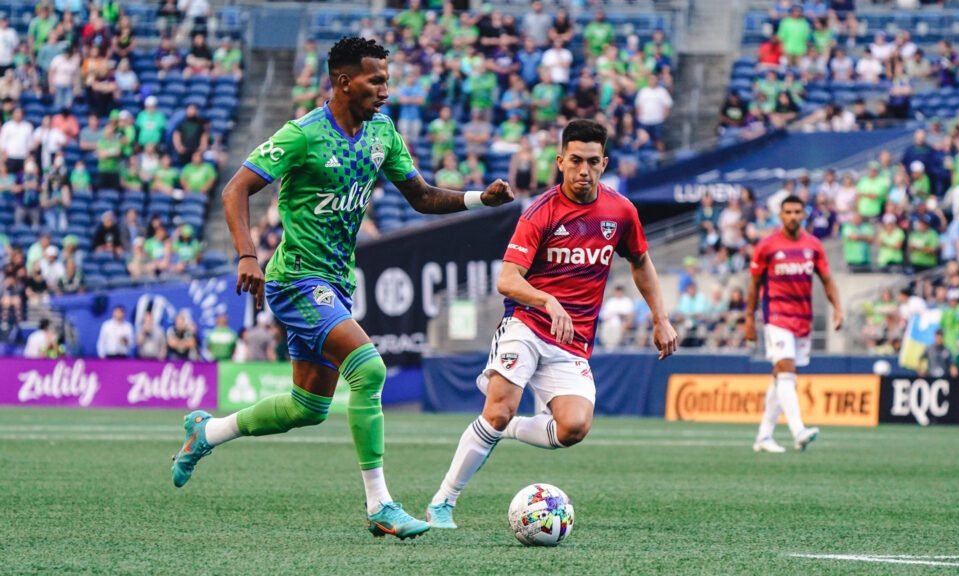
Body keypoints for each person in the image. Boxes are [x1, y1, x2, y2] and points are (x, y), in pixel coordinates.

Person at [170, 37, 514, 540]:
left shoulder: (381, 132)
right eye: (376, 80)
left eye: (386, 80)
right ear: (343, 81)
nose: (385, 90)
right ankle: (381, 505)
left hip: (334, 282)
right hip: (295, 280)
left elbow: (420, 196)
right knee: (369, 368)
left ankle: (207, 431)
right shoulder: (302, 135)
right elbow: (235, 188)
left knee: (305, 408)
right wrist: (248, 254)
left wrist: (479, 199)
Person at [424, 119, 677, 529]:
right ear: (560, 161)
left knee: (574, 427)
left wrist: (661, 318)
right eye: (575, 160)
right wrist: (547, 300)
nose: (583, 171)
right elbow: (507, 279)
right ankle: (442, 503)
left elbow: (641, 262)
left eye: (593, 162)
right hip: (525, 325)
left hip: (572, 341)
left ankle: (504, 431)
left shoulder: (621, 211)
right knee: (499, 408)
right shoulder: (541, 212)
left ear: (605, 163)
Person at [746, 195, 843, 453]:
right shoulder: (766, 246)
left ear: (804, 215)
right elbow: (754, 286)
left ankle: (764, 436)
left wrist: (838, 309)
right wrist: (749, 319)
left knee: (781, 376)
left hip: (803, 319)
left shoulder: (813, 245)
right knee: (787, 370)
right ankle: (798, 430)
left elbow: (827, 279)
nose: (792, 216)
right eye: (788, 212)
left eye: (797, 211)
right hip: (776, 317)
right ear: (781, 215)